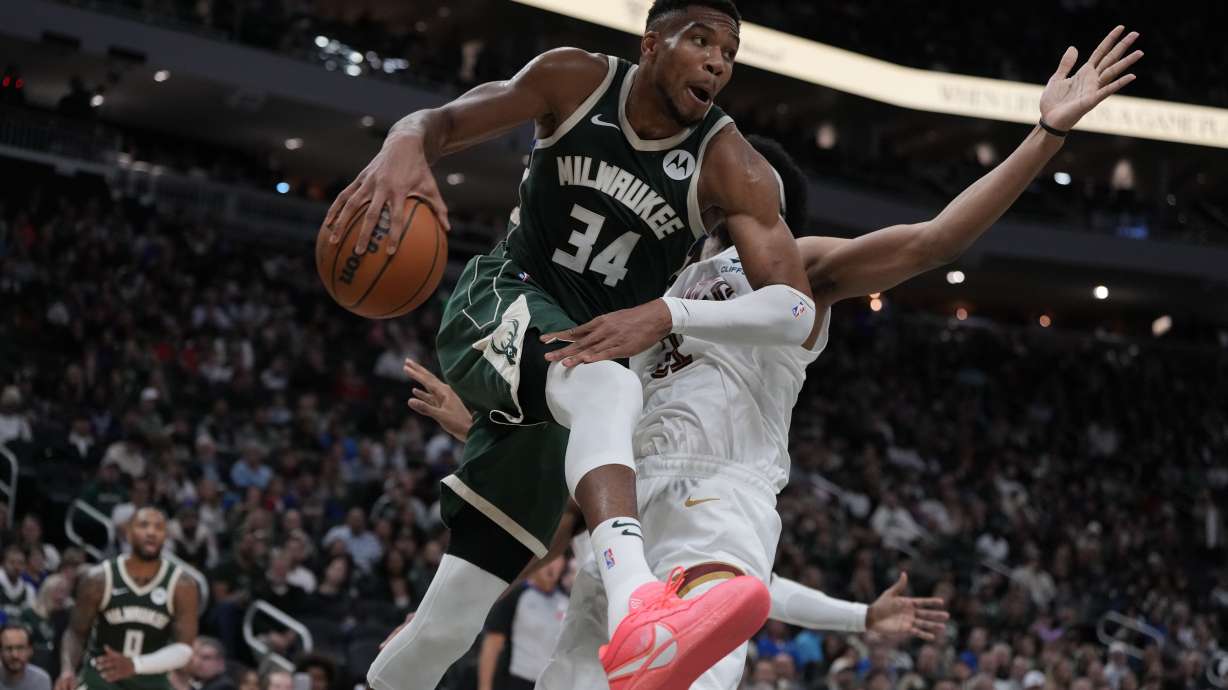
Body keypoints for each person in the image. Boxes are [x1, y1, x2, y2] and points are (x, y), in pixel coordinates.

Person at [400, 20, 1145, 682]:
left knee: (692, 653)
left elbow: (934, 241)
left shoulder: (800, 270)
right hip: (626, 508)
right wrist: (490, 419)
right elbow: (594, 427)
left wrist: (1045, 134)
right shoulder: (658, 277)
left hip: (718, 492)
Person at [341, 2, 817, 687]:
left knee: (448, 622)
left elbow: (796, 309)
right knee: (612, 384)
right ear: (652, 43)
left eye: (730, 53)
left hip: (575, 376)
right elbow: (441, 122)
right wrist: (402, 142)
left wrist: (667, 312)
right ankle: (638, 609)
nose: (718, 62)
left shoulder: (731, 164)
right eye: (701, 41)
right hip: (505, 298)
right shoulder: (575, 79)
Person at [54, 508, 199, 690]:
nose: (151, 532)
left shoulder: (182, 585)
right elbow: (76, 632)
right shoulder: (98, 579)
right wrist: (67, 670)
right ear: (128, 533)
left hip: (152, 684)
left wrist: (135, 665)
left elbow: (185, 649)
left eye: (159, 527)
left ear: (166, 536)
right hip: (100, 681)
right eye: (143, 525)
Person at [477, 557, 569, 690]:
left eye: (557, 559)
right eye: (550, 558)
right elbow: (492, 645)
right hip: (516, 681)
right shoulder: (515, 594)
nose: (551, 566)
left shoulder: (566, 601)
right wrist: (485, 687)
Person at [0, 624, 51, 690]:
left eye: (20, 648)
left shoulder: (40, 680)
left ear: (30, 650)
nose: (15, 655)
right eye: (8, 648)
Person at [0, 549, 34, 623]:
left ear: (25, 566)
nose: (16, 566)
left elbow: (30, 617)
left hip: (19, 627)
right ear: (2, 564)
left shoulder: (28, 589)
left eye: (21, 563)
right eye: (12, 562)